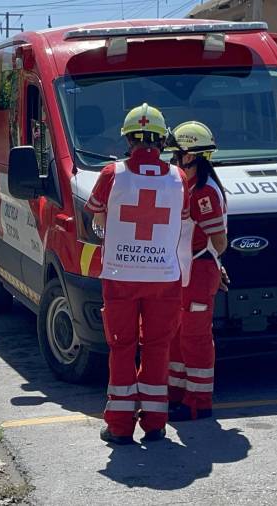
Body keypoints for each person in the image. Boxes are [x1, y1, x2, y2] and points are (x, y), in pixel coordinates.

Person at [86, 103, 190, 445]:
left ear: (128, 138)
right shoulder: (179, 178)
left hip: (120, 275)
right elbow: (183, 218)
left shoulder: (111, 174)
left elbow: (97, 220)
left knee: (121, 348)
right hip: (165, 277)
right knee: (158, 348)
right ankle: (156, 423)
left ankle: (119, 425)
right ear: (162, 140)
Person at [166, 121, 229, 421]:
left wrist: (214, 263)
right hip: (188, 270)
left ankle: (199, 401)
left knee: (195, 336)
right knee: (178, 334)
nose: (174, 162)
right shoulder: (191, 186)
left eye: (177, 156)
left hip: (199, 270)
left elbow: (220, 241)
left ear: (192, 156)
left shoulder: (204, 192)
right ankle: (176, 393)